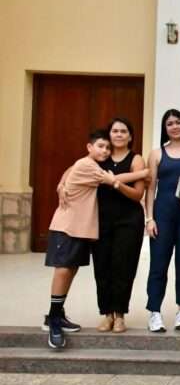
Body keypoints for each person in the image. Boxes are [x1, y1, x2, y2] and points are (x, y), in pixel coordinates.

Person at [44, 130, 114, 348]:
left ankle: (57, 313)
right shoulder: (87, 165)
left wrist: (62, 183)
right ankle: (53, 320)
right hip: (67, 226)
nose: (105, 150)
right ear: (89, 147)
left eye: (108, 147)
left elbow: (69, 170)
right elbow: (112, 180)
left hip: (80, 228)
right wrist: (145, 172)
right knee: (63, 269)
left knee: (71, 269)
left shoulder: (87, 165)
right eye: (101, 146)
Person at [93, 118, 148, 334]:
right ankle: (107, 314)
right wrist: (62, 184)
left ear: (130, 136)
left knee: (123, 268)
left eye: (123, 131)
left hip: (129, 221)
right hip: (101, 220)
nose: (118, 134)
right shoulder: (100, 157)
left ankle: (120, 315)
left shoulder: (136, 160)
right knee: (103, 267)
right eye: (114, 131)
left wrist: (115, 183)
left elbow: (137, 195)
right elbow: (75, 169)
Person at [144, 109, 180, 332]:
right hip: (162, 215)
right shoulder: (156, 154)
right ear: (165, 129)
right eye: (170, 124)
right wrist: (149, 218)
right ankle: (155, 312)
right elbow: (150, 188)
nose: (175, 127)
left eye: (178, 122)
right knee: (158, 265)